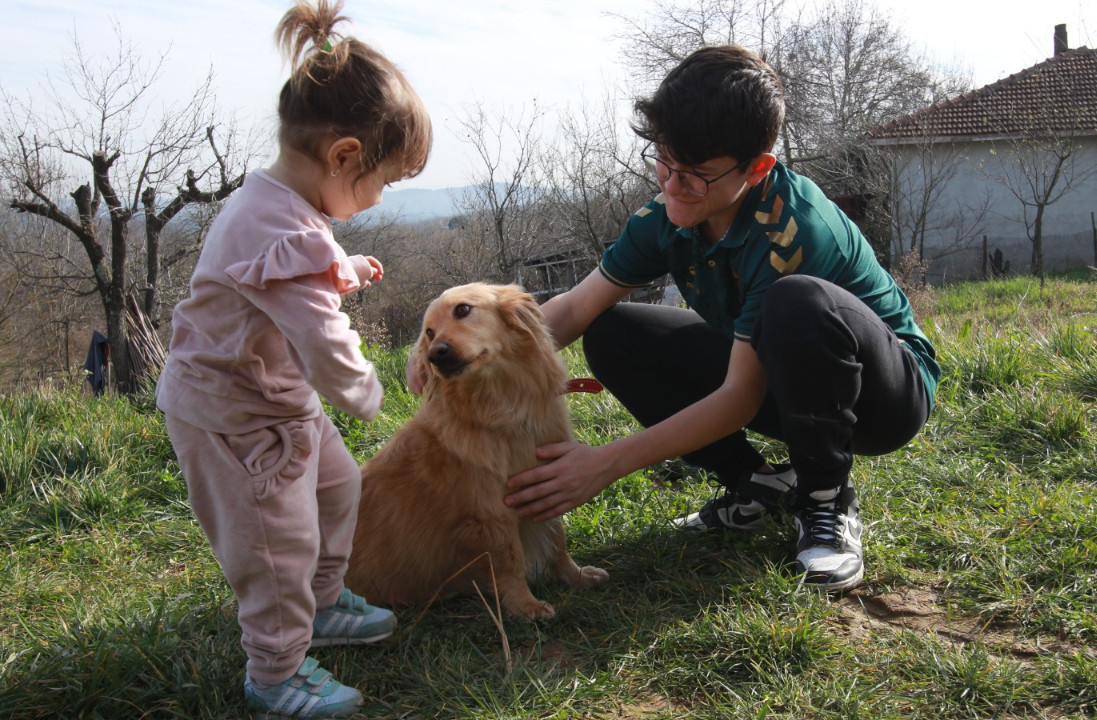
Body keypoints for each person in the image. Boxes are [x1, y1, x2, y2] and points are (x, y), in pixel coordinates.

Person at [502, 45, 938, 592]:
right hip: (781, 379)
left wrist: (604, 463)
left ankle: (826, 501)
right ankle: (758, 486)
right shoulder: (669, 212)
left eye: (697, 175)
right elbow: (572, 308)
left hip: (881, 397)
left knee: (795, 301)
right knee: (612, 331)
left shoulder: (793, 230)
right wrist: (478, 356)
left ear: (758, 167)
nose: (672, 185)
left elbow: (738, 398)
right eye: (664, 161)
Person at [155, 2, 431, 717]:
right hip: (235, 419)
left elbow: (290, 270)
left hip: (273, 402)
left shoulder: (276, 202)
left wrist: (347, 266)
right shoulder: (282, 226)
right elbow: (321, 339)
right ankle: (275, 671)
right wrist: (364, 390)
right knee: (275, 547)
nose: (374, 199)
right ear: (343, 157)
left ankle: (324, 600)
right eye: (383, 182)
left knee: (338, 490)